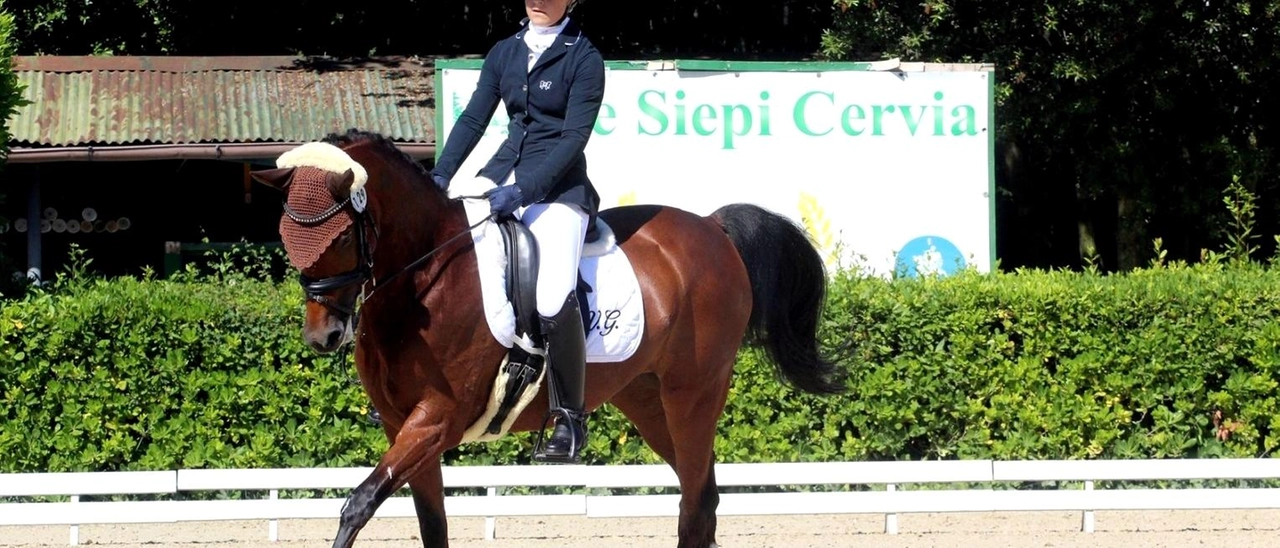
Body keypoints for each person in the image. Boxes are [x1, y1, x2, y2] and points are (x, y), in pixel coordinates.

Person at [429, 0, 604, 464]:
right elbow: (472, 119)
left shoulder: (584, 57)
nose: (537, 0)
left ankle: (569, 419)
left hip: (557, 191)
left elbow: (573, 140)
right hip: (499, 175)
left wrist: (526, 190)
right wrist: (441, 175)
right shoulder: (504, 51)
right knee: (439, 254)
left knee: (551, 296)